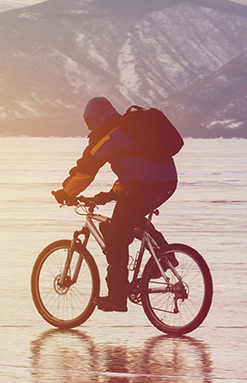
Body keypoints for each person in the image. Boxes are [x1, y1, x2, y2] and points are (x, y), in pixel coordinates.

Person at [52, 97, 178, 312]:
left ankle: (117, 297)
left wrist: (66, 192)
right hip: (166, 182)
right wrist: (109, 195)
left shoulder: (108, 134)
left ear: (92, 119)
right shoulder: (127, 129)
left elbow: (86, 170)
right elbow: (136, 169)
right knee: (130, 219)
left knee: (116, 232)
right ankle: (165, 258)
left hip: (144, 186)